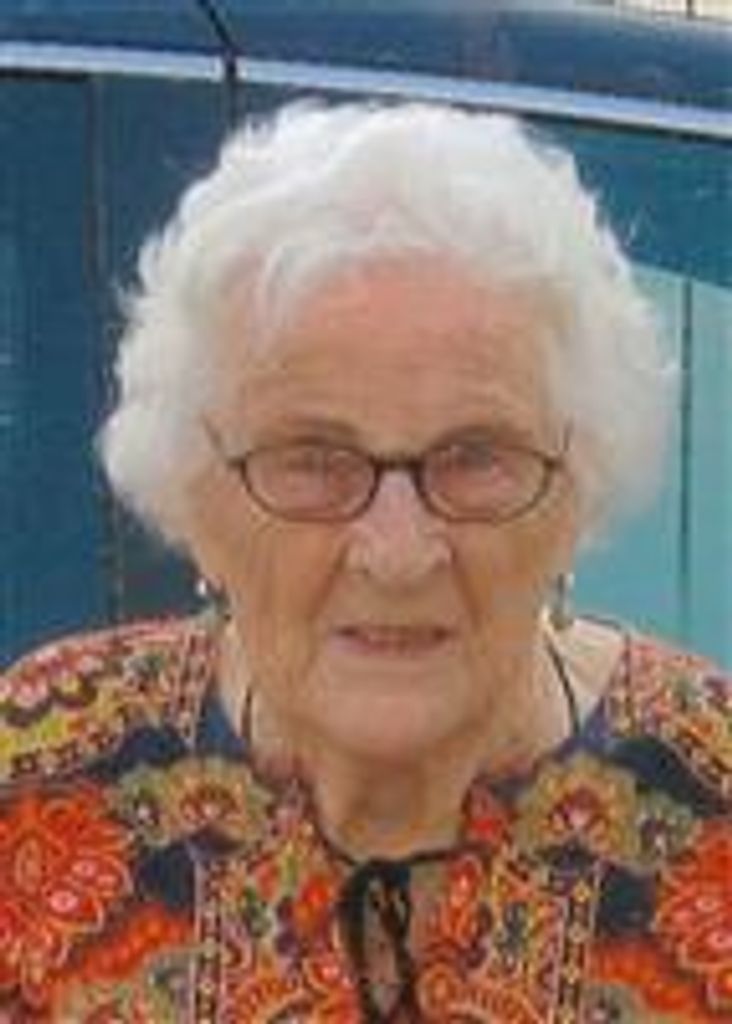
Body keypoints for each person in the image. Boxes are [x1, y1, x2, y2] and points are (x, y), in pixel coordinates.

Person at [0, 102, 729, 1024]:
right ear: (197, 501)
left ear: (577, 492)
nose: (397, 553)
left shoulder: (713, 803)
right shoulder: (41, 777)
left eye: (475, 456)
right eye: (311, 459)